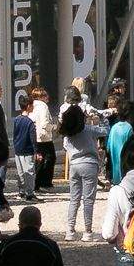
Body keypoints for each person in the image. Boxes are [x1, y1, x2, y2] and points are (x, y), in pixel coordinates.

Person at [59, 96, 107, 242]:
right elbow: (106, 130)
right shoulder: (88, 129)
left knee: (74, 199)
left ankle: (70, 230)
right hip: (90, 164)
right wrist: (102, 117)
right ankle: (87, 231)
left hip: (74, 164)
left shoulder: (67, 134)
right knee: (88, 200)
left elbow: (65, 146)